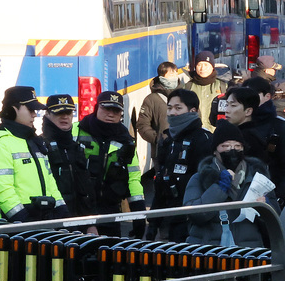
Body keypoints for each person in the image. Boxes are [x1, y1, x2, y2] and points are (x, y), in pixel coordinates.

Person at [0, 87, 68, 222]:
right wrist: (23, 220)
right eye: (30, 109)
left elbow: (50, 183)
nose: (34, 114)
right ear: (14, 110)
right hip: (13, 225)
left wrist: (62, 212)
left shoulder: (32, 140)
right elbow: (2, 190)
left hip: (40, 220)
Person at [182, 121, 272, 247]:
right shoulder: (200, 178)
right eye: (225, 146)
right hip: (210, 250)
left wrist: (265, 208)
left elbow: (275, 224)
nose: (232, 150)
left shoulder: (258, 179)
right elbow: (194, 214)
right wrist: (219, 188)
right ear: (215, 150)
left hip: (248, 252)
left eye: (237, 146)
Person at [74, 91, 146, 237]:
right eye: (106, 109)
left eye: (116, 110)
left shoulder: (126, 141)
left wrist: (139, 215)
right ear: (97, 108)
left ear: (121, 114)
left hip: (110, 211)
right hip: (78, 210)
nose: (110, 114)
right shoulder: (76, 131)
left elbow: (133, 178)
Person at [152, 89, 213, 241]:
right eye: (169, 108)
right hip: (167, 214)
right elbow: (161, 180)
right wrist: (153, 223)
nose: (172, 113)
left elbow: (206, 182)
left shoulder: (203, 139)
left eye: (178, 108)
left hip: (189, 217)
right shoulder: (169, 140)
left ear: (193, 111)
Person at [41, 95, 96, 220]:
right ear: (48, 114)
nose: (64, 116)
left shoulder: (77, 147)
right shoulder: (41, 147)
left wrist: (91, 223)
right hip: (53, 222)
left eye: (68, 112)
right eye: (59, 112)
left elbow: (86, 190)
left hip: (80, 221)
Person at [240, 77, 285, 200]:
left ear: (267, 97)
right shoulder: (237, 124)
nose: (247, 100)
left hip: (268, 192)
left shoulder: (280, 126)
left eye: (252, 95)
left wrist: (278, 197)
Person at [136, 62, 180, 178]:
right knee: (162, 185)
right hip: (160, 153)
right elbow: (142, 125)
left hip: (183, 151)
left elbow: (196, 118)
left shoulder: (187, 96)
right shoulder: (151, 99)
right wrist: (158, 138)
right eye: (170, 74)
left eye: (176, 73)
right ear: (162, 77)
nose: (174, 76)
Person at [185, 50, 227, 131]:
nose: (202, 68)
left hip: (216, 133)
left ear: (212, 67)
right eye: (199, 65)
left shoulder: (222, 86)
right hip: (194, 133)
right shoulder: (188, 86)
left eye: (206, 65)